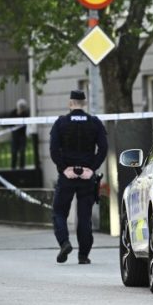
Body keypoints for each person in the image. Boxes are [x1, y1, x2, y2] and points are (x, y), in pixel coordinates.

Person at [49, 90, 108, 264]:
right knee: (84, 217)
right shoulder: (94, 123)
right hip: (87, 177)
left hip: (67, 175)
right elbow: (103, 148)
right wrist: (91, 168)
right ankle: (83, 255)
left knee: (59, 212)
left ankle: (64, 242)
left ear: (70, 103)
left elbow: (53, 150)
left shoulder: (61, 123)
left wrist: (63, 168)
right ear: (84, 104)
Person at [10, 99, 29, 169]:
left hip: (22, 136)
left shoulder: (25, 114)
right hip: (15, 136)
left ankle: (22, 167)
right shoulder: (13, 113)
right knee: (14, 152)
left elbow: (26, 124)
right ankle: (13, 167)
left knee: (22, 152)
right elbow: (9, 123)